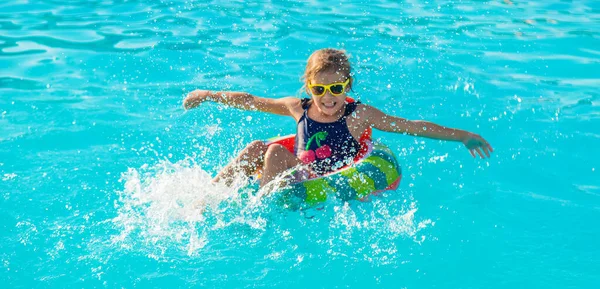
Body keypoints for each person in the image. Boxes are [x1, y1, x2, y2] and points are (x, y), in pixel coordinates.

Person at [183, 48, 493, 188]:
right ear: (309, 87)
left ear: (348, 86)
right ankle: (210, 196)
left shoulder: (358, 116)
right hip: (301, 166)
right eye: (319, 88)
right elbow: (251, 101)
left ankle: (260, 211)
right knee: (254, 148)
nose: (328, 96)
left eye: (336, 88)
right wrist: (207, 94)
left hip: (321, 176)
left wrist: (462, 135)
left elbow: (411, 127)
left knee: (275, 151)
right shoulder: (298, 107)